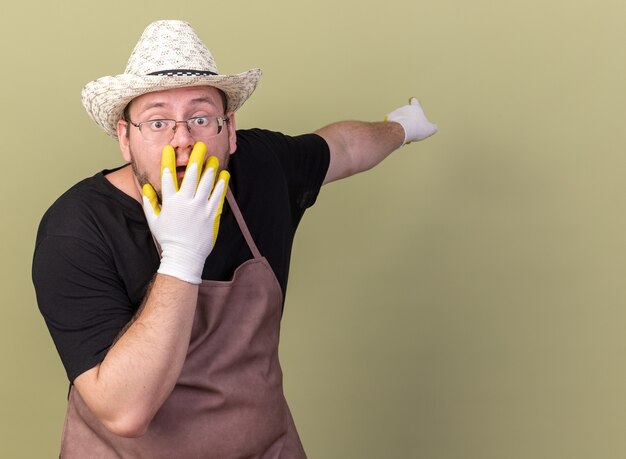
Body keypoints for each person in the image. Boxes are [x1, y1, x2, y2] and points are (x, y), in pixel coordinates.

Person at [32, 19, 437, 458]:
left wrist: (402, 128)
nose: (182, 139)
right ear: (125, 139)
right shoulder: (76, 228)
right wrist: (183, 254)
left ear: (229, 130)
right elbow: (125, 412)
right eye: (157, 122)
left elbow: (342, 148)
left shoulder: (262, 167)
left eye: (200, 117)